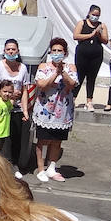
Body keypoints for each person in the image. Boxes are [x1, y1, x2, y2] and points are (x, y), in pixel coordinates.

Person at [31, 37, 79, 183]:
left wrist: (62, 72)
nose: (57, 53)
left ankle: (52, 167)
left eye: (60, 51)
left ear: (65, 53)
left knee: (57, 140)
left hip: (62, 110)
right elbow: (42, 85)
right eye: (54, 50)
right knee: (42, 139)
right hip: (45, 109)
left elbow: (72, 84)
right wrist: (55, 73)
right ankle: (40, 169)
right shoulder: (43, 67)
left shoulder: (71, 67)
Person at [0, 37, 30, 173]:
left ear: (18, 51)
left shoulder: (23, 68)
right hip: (0, 108)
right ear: (4, 51)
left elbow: (25, 91)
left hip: (15, 109)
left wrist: (25, 110)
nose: (11, 52)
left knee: (15, 138)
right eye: (8, 49)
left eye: (13, 49)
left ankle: (13, 166)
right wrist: (6, 94)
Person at [71, 5, 107, 113]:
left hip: (96, 55)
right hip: (82, 53)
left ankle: (89, 101)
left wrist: (98, 33)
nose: (95, 17)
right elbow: (76, 36)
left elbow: (105, 40)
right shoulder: (82, 23)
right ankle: (73, 98)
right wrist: (91, 34)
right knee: (79, 76)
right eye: (93, 15)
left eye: (97, 15)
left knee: (92, 78)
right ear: (89, 13)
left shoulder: (102, 25)